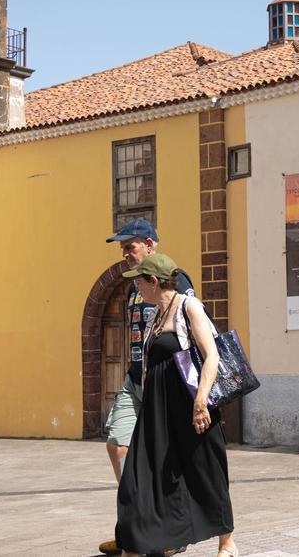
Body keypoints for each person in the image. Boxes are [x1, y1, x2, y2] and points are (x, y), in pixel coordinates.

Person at [115, 253, 236, 557]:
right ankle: (139, 544)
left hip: (191, 405)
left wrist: (200, 403)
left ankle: (227, 543)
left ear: (154, 281)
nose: (136, 288)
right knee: (138, 480)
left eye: (139, 282)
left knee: (206, 472)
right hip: (157, 411)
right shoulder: (155, 315)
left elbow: (211, 355)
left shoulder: (188, 306)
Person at [99, 219, 195, 557]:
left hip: (164, 381)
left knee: (165, 459)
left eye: (131, 246)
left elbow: (189, 329)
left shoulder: (175, 279)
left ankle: (167, 533)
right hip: (135, 379)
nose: (125, 253)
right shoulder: (131, 287)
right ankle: (135, 525)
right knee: (118, 445)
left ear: (150, 245)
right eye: (123, 248)